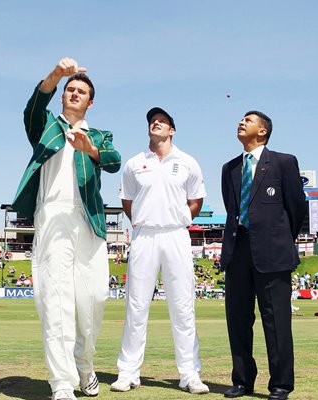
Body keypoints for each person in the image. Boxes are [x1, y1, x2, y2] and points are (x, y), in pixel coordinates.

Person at [11, 57, 121, 400]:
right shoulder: (45, 126)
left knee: (94, 298)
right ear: (62, 96)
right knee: (55, 299)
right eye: (70, 89)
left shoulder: (100, 135)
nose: (74, 93)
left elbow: (115, 161)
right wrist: (56, 74)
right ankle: (61, 382)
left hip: (89, 220)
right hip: (53, 215)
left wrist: (91, 150)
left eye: (81, 91)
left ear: (91, 101)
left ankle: (84, 364)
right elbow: (33, 106)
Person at [111, 107, 209, 394]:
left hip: (176, 235)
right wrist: (145, 221)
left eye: (162, 121)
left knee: (182, 307)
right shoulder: (134, 163)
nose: (156, 123)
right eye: (153, 121)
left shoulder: (188, 162)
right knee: (136, 306)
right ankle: (128, 372)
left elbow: (196, 200)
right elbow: (128, 201)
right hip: (144, 235)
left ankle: (190, 374)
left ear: (172, 130)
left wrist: (177, 219)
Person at [220, 111, 306, 400]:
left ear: (263, 131)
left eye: (249, 119)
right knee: (238, 320)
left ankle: (281, 384)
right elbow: (232, 210)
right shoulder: (230, 168)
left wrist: (280, 239)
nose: (241, 122)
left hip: (273, 252)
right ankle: (242, 380)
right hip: (237, 251)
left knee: (277, 321)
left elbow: (296, 208)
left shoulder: (283, 162)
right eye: (241, 119)